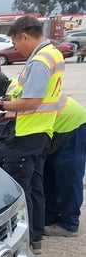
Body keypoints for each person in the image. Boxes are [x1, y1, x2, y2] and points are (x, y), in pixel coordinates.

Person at [0, 15, 66, 254]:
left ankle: (22, 239)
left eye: (16, 43)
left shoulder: (40, 60)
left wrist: (0, 106)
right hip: (40, 131)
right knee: (35, 187)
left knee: (17, 188)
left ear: (24, 36)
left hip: (27, 133)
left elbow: (32, 101)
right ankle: (35, 236)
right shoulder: (53, 54)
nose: (16, 48)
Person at [44, 95, 86, 237]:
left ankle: (69, 223)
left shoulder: (9, 101)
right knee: (48, 171)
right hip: (58, 124)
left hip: (72, 124)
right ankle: (50, 217)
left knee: (68, 175)